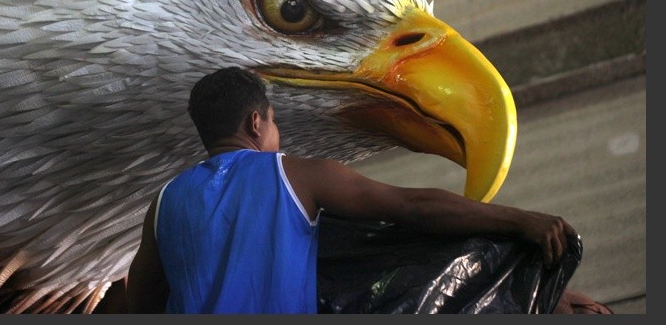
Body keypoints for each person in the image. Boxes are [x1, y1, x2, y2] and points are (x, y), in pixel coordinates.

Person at [125, 66, 584, 314]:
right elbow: (413, 206)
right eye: (275, 120)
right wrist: (519, 220)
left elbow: (139, 306)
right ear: (256, 122)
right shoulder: (295, 175)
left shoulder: (164, 204)